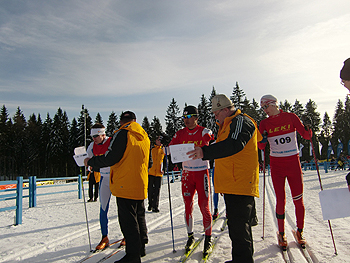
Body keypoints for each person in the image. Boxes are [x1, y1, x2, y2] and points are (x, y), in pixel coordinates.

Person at [187, 94, 262, 263]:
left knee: (239, 228)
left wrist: (205, 152)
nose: (215, 116)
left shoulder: (241, 121)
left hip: (240, 183)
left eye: (217, 113)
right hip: (232, 184)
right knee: (236, 228)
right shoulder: (227, 124)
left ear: (226, 109)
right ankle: (240, 259)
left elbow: (234, 144)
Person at [84, 111, 150, 263]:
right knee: (139, 215)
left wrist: (91, 162)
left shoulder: (122, 133)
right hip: (140, 182)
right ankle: (141, 248)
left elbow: (111, 157)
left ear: (122, 122)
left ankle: (132, 256)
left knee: (128, 221)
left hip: (124, 183)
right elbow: (149, 161)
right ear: (134, 120)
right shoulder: (144, 135)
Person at [257, 94, 312, 249]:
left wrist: (309, 127)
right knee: (280, 199)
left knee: (298, 199)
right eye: (262, 108)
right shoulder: (264, 123)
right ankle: (281, 233)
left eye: (266, 106)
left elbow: (306, 136)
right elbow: (261, 147)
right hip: (277, 165)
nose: (265, 110)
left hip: (293, 163)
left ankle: (300, 231)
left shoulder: (291, 117)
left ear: (274, 104)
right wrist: (262, 138)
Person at [169, 105, 214, 256]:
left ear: (196, 117)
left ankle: (208, 238)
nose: (186, 120)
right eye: (184, 118)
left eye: (189, 117)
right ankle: (190, 236)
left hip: (201, 172)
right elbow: (170, 149)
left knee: (203, 205)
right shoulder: (180, 133)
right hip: (187, 174)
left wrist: (208, 137)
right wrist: (162, 147)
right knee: (188, 205)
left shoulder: (203, 130)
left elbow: (210, 138)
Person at [86, 123, 113, 250]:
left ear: (103, 134)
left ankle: (127, 236)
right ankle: (104, 237)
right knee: (103, 208)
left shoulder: (111, 142)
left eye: (96, 136)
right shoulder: (92, 146)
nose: (94, 139)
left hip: (117, 178)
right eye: (92, 136)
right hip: (104, 178)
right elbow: (88, 161)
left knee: (123, 208)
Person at [148, 135, 165, 213]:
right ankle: (150, 204)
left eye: (161, 140)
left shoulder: (163, 151)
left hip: (159, 173)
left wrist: (164, 169)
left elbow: (165, 162)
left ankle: (155, 206)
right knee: (150, 190)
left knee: (157, 190)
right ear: (156, 141)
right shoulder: (151, 150)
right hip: (151, 172)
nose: (160, 142)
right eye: (159, 140)